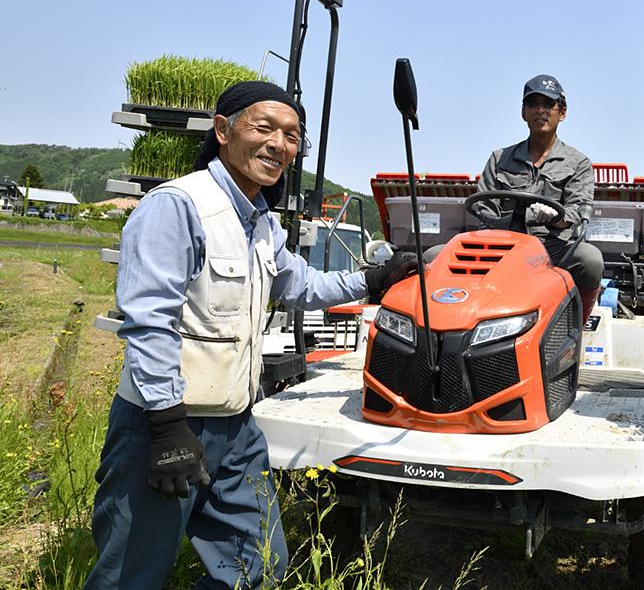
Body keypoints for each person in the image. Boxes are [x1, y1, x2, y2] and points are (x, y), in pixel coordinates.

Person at [84, 81, 415, 589]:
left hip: (236, 428)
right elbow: (150, 320)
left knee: (256, 564)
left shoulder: (260, 220)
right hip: (164, 423)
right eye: (264, 128)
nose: (278, 144)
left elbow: (300, 284)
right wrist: (167, 427)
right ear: (222, 130)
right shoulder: (179, 205)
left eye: (290, 135)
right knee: (131, 575)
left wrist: (373, 280)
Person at [473, 74, 603, 324]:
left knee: (591, 260)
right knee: (433, 256)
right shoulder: (499, 159)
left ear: (562, 112)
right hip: (503, 247)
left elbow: (579, 210)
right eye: (533, 104)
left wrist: (557, 218)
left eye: (548, 104)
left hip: (552, 247)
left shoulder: (578, 163)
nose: (540, 110)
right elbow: (484, 208)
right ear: (523, 112)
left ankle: (576, 330)